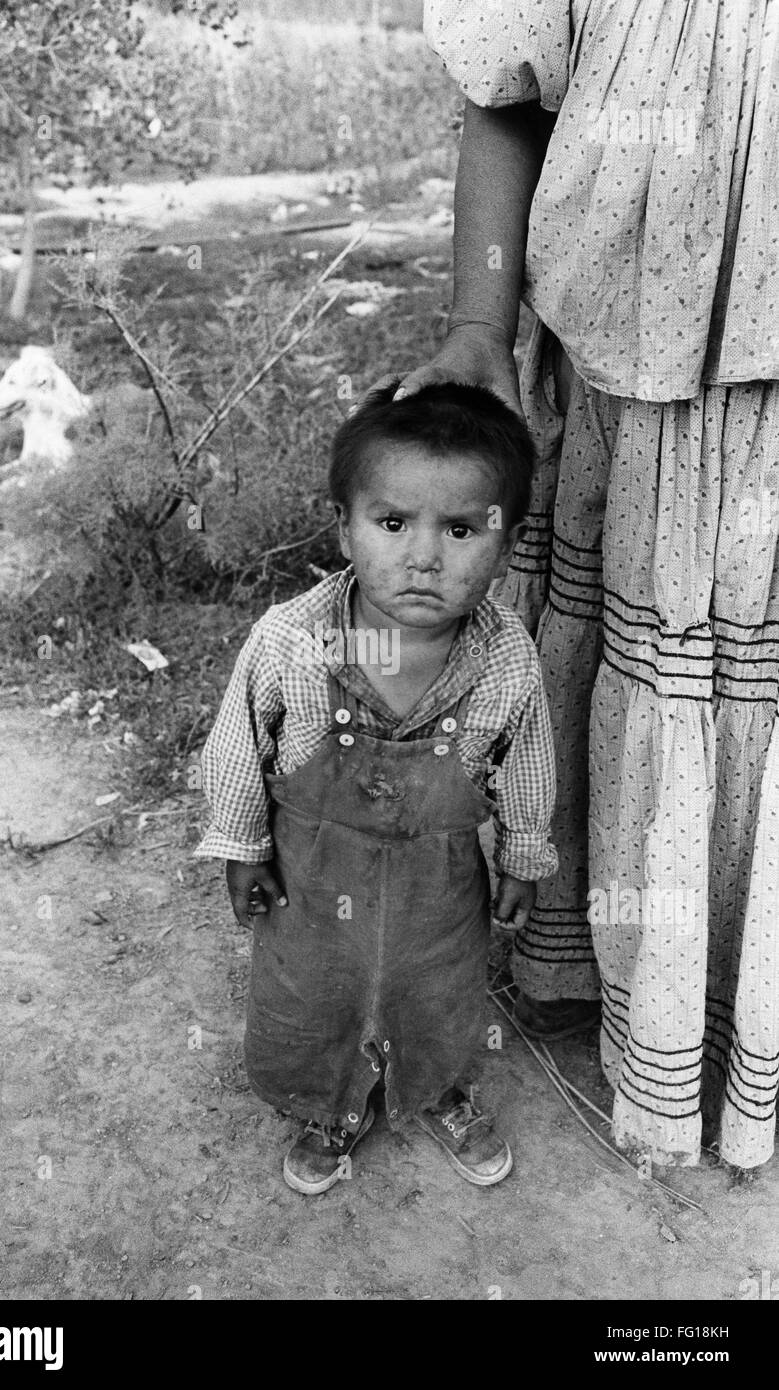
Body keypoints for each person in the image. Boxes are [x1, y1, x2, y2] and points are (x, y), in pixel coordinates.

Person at [403, 1, 779, 1170]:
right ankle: (607, 973)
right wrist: (480, 318)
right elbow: (508, 93)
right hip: (636, 378)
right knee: (644, 661)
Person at [196, 381, 558, 1194]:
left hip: (438, 884)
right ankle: (330, 1105)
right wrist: (239, 845)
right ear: (344, 525)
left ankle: (432, 1087)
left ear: (504, 543)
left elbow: (528, 759)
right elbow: (234, 749)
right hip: (312, 881)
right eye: (392, 523)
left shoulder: (504, 660)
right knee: (311, 988)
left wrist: (525, 854)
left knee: (436, 984)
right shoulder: (290, 639)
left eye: (460, 529)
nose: (423, 556)